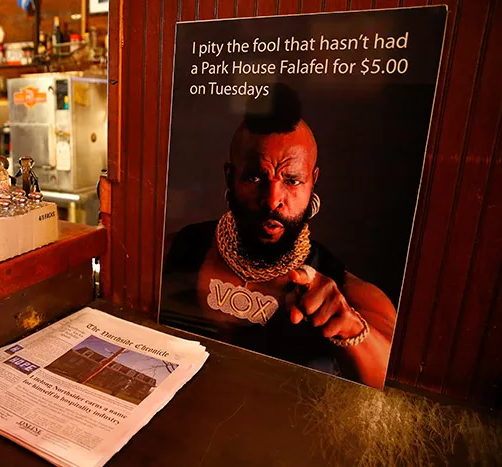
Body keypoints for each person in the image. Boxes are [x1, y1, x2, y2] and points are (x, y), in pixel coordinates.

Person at [160, 83, 396, 389]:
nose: (272, 200)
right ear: (230, 178)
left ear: (313, 182)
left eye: (292, 180)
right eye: (255, 177)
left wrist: (349, 327)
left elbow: (392, 381)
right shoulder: (173, 250)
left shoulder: (347, 292)